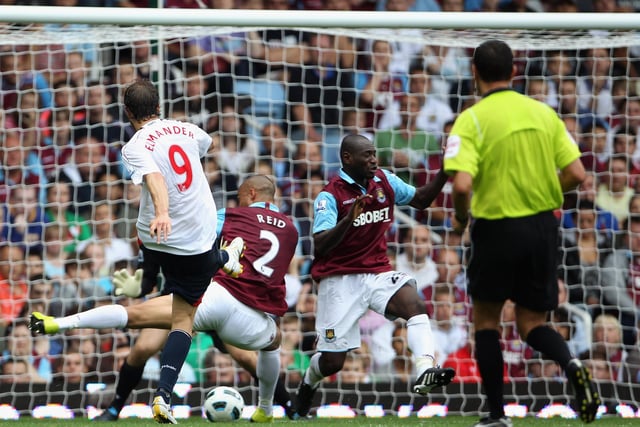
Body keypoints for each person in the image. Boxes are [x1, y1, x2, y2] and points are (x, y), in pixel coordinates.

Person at [31, 175, 299, 423]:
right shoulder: (291, 228)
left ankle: (286, 405)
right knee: (142, 349)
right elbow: (150, 274)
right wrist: (142, 284)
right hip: (233, 305)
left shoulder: (217, 217)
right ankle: (115, 408)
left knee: (242, 358)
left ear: (251, 194)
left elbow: (185, 245)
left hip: (207, 294)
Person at [443, 39, 600, 426]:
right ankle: (571, 361)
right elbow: (578, 174)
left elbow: (461, 186)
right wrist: (543, 191)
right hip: (543, 228)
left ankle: (497, 415)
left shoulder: (472, 119)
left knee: (486, 323)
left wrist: (461, 221)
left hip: (496, 228)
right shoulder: (543, 114)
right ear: (514, 72)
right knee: (532, 324)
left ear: (474, 73)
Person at [295, 134, 455, 418]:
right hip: (339, 281)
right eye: (367, 155)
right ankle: (307, 385)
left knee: (414, 305)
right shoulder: (329, 196)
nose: (373, 159)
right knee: (332, 363)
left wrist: (444, 171)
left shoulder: (385, 180)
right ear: (347, 158)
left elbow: (420, 199)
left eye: (374, 154)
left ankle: (424, 370)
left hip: (377, 271)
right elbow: (319, 245)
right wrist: (348, 220)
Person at [119, 79, 244, 424]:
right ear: (158, 107)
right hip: (195, 240)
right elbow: (206, 144)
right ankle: (163, 395)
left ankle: (145, 284)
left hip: (155, 238)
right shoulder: (188, 130)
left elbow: (155, 177)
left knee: (151, 256)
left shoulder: (133, 146)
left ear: (127, 112)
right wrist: (165, 210)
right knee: (183, 320)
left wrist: (160, 213)